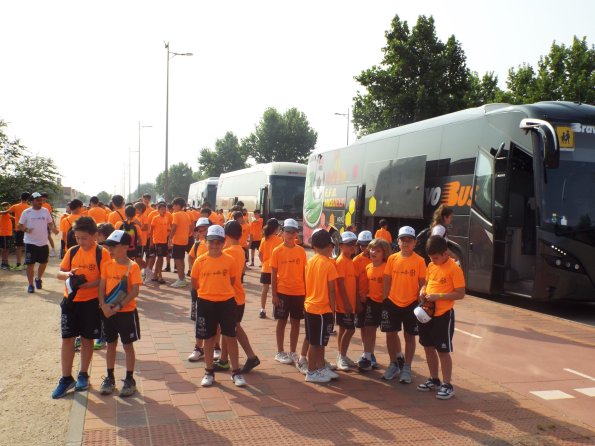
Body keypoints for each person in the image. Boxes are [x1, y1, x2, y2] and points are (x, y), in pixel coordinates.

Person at [52, 217, 111, 399]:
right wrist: (68, 274)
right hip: (70, 301)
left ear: (95, 236)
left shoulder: (102, 253)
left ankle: (83, 374)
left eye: (84, 238)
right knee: (67, 339)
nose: (80, 241)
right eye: (77, 237)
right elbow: (59, 274)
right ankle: (65, 378)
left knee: (87, 340)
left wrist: (89, 285)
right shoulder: (72, 251)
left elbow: (105, 279)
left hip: (91, 303)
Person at [191, 225, 246, 387]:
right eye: (211, 242)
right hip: (205, 303)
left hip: (227, 302)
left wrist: (220, 292)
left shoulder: (230, 260)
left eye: (218, 242)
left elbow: (232, 280)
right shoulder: (200, 261)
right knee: (208, 338)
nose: (214, 245)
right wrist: (207, 292)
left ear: (224, 242)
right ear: (206, 242)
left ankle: (236, 372)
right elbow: (195, 282)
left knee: (230, 337)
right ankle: (209, 371)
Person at [417, 235, 465, 400]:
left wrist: (439, 296)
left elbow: (460, 294)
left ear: (445, 253)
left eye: (436, 257)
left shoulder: (454, 269)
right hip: (427, 313)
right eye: (431, 258)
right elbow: (426, 282)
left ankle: (447, 385)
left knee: (442, 350)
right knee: (428, 347)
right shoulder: (431, 265)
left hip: (443, 314)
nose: (433, 261)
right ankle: (434, 379)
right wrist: (423, 290)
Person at [97, 230, 143, 397]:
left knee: (127, 345)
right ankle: (110, 378)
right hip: (108, 311)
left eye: (114, 246)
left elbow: (135, 291)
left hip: (126, 312)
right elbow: (102, 286)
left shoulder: (133, 266)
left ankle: (130, 379)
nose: (110, 250)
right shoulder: (107, 264)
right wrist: (103, 305)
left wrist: (119, 306)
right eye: (109, 246)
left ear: (125, 247)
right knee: (110, 344)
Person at [213, 220, 261, 374]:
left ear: (225, 235)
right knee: (229, 329)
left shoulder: (227, 252)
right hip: (237, 296)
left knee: (233, 329)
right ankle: (224, 360)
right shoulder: (239, 250)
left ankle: (251, 356)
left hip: (231, 297)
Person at [381, 226, 426, 382]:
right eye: (403, 240)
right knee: (390, 334)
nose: (406, 243)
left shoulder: (420, 261)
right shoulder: (392, 259)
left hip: (411, 303)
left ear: (415, 243)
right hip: (392, 302)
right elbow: (387, 279)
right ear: (398, 242)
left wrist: (421, 303)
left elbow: (422, 283)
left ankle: (407, 367)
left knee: (409, 336)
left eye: (409, 240)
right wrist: (385, 299)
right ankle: (393, 364)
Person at [270, 218, 307, 366]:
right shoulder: (277, 251)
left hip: (299, 292)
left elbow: (304, 274)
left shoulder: (301, 251)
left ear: (296, 233)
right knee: (282, 322)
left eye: (293, 232)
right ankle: (280, 351)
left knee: (296, 322)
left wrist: (307, 293)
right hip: (282, 292)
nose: (290, 235)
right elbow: (273, 274)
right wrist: (274, 295)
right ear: (282, 233)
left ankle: (292, 351)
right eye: (287, 231)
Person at [303, 228, 338, 383]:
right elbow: (331, 290)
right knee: (316, 343)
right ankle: (311, 372)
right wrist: (333, 309)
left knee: (318, 341)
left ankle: (320, 367)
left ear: (314, 246)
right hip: (322, 308)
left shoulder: (310, 262)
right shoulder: (329, 264)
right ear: (330, 246)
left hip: (310, 306)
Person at [357, 238, 391, 371]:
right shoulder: (368, 267)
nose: (373, 252)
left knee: (391, 333)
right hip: (372, 303)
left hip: (385, 304)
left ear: (384, 253)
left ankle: (397, 358)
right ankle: (367, 357)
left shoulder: (387, 268)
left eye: (378, 250)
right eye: (372, 249)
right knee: (369, 329)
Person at [18, 192, 57, 293]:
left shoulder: (45, 211)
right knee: (30, 264)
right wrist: (26, 230)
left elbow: (49, 222)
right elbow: (20, 225)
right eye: (38, 200)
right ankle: (31, 285)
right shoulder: (26, 212)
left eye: (41, 200)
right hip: (30, 242)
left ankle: (38, 279)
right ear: (32, 201)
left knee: (44, 263)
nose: (40, 202)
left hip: (43, 242)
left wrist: (53, 229)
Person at [334, 231, 359, 371]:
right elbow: (341, 285)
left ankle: (341, 355)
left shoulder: (351, 261)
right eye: (348, 245)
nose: (352, 247)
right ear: (341, 245)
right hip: (344, 304)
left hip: (350, 304)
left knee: (344, 329)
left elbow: (353, 283)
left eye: (353, 245)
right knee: (350, 329)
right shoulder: (341, 261)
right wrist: (347, 303)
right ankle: (341, 356)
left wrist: (355, 302)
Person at [186, 217, 210, 362]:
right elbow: (190, 257)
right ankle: (198, 348)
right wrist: (192, 271)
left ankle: (216, 348)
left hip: (214, 289)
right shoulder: (197, 245)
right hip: (199, 288)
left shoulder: (219, 245)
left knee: (216, 321)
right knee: (200, 320)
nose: (202, 232)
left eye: (205, 229)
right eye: (200, 230)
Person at [93, 223, 116, 350]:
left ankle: (102, 337)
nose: (96, 237)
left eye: (98, 234)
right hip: (100, 283)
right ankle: (100, 336)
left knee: (102, 312)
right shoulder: (100, 248)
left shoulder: (106, 249)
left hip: (106, 284)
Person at [258, 218, 283, 318]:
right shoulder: (279, 240)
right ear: (276, 228)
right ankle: (275, 310)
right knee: (275, 290)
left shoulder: (264, 239)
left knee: (265, 289)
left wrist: (264, 262)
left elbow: (260, 254)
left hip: (265, 267)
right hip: (276, 268)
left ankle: (262, 309)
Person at [0, 192, 30, 270]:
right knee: (28, 246)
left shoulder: (15, 206)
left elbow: (6, 212)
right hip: (27, 230)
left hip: (19, 229)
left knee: (18, 247)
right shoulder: (30, 208)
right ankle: (27, 263)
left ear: (20, 197)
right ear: (28, 199)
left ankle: (18, 264)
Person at [169, 197, 191, 288]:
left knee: (178, 260)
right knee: (181, 259)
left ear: (178, 205)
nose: (173, 207)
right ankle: (182, 279)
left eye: (174, 205)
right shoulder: (187, 214)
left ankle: (181, 279)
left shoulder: (176, 214)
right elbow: (191, 227)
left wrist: (170, 238)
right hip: (185, 239)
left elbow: (174, 227)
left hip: (178, 240)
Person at [148, 202, 171, 285]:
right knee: (160, 258)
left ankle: (155, 275)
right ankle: (159, 275)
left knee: (160, 258)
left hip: (164, 241)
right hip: (157, 241)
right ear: (158, 210)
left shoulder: (166, 218)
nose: (163, 210)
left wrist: (168, 239)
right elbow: (151, 231)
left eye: (165, 209)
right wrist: (151, 241)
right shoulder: (155, 218)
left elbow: (168, 229)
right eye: (162, 209)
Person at [40, 192, 57, 257]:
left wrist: (53, 225)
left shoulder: (47, 205)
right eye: (42, 198)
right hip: (38, 224)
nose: (43, 200)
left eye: (45, 199)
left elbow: (50, 215)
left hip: (46, 224)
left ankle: (53, 250)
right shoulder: (37, 204)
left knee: (48, 236)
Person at [0, 202, 14, 269]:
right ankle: (3, 263)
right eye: (4, 206)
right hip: (4, 234)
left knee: (7, 248)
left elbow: (15, 218)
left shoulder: (7, 214)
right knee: (4, 249)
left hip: (8, 234)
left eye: (7, 206)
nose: (5, 207)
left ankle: (6, 263)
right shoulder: (3, 213)